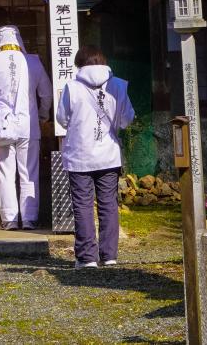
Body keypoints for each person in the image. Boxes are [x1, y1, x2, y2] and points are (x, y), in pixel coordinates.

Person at [57, 45, 135, 267]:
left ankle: (87, 258)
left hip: (80, 156)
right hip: (108, 155)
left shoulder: (71, 87)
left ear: (79, 64)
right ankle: (109, 256)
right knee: (108, 204)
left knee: (82, 205)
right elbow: (127, 118)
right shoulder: (118, 85)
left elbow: (62, 119)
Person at [0, 25, 54, 230]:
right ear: (19, 40)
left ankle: (9, 219)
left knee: (4, 172)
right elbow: (46, 94)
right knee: (29, 172)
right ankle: (29, 218)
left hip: (0, 126)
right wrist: (42, 115)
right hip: (28, 126)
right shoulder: (33, 62)